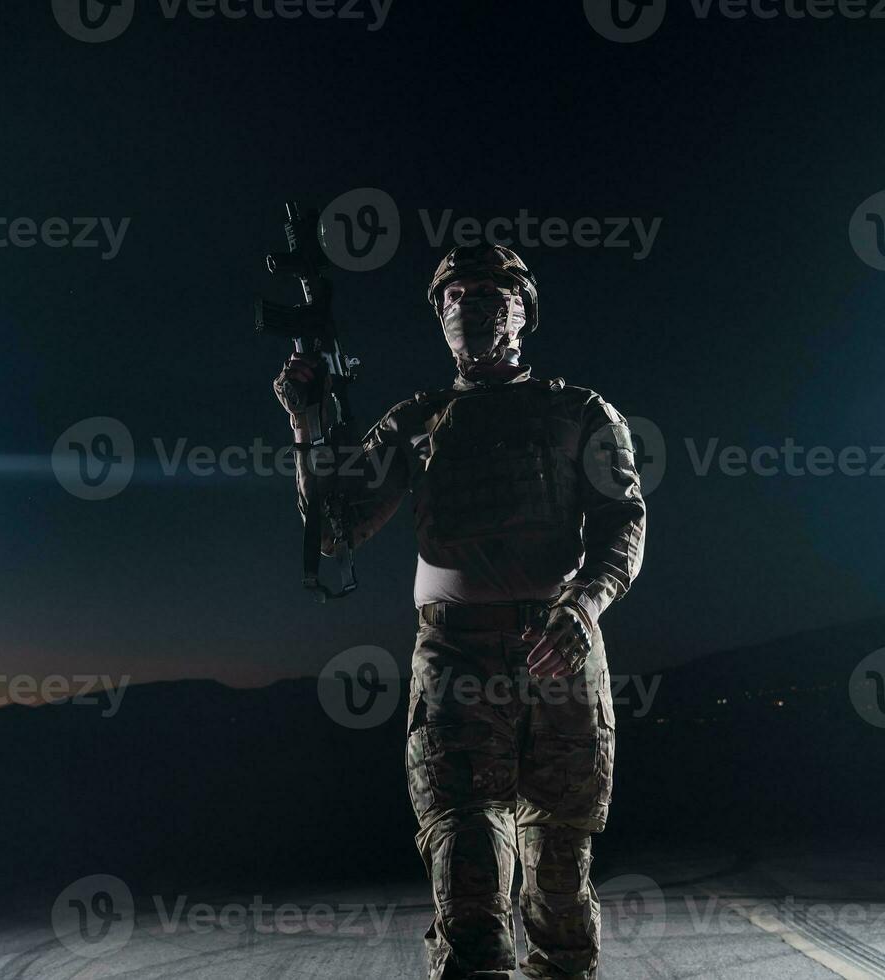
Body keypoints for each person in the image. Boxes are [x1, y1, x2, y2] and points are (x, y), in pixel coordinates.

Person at [274, 242, 646, 979]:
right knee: (468, 873)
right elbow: (337, 528)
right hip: (455, 663)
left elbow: (621, 523)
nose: (469, 305)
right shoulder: (419, 419)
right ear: (437, 315)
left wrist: (585, 606)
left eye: (491, 291)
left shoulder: (579, 411)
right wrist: (307, 426)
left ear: (524, 310)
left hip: (559, 654)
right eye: (454, 294)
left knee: (559, 877)